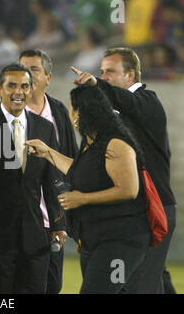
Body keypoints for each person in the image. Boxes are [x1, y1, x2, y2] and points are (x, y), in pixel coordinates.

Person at [25, 85, 151, 293]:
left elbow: (129, 190)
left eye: (72, 108)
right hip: (95, 239)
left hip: (120, 242)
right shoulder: (91, 142)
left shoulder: (115, 144)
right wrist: (47, 152)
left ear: (82, 111)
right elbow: (77, 171)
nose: (69, 113)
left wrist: (83, 199)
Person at [71, 47, 177, 294]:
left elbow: (125, 101)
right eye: (101, 72)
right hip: (138, 212)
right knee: (151, 281)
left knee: (140, 285)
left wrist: (96, 84)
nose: (104, 76)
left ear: (130, 75)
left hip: (155, 206)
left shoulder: (147, 101)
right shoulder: (115, 110)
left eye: (110, 72)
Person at [0, 63, 65, 294]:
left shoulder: (45, 128)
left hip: (35, 238)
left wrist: (58, 223)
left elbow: (51, 179)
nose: (19, 92)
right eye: (12, 85)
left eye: (25, 86)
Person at [19, 49, 78, 294]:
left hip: (53, 217)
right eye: (23, 69)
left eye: (34, 69)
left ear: (48, 77)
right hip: (21, 218)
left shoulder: (58, 111)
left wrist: (64, 217)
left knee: (52, 285)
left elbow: (71, 162)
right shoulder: (10, 114)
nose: (28, 75)